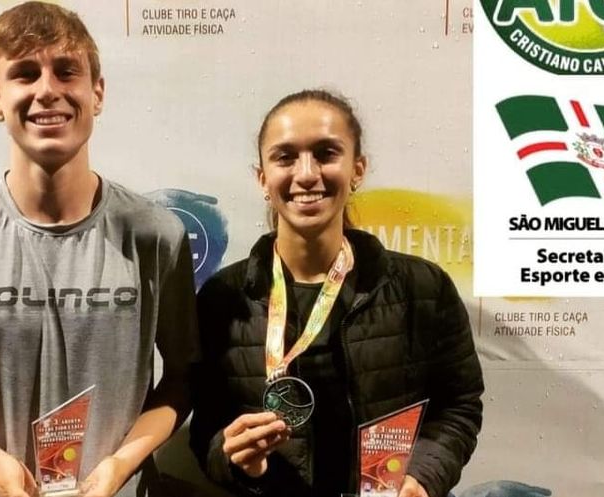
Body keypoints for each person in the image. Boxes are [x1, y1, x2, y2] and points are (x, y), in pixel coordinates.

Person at [0, 3, 198, 496]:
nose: (47, 89)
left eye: (66, 71)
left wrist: (120, 464)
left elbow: (183, 377)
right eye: (25, 73)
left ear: (97, 92)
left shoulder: (155, 236)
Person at [189, 89, 483, 497]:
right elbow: (206, 428)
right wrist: (238, 462)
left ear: (357, 170)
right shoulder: (222, 300)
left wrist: (422, 477)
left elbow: (459, 405)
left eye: (326, 153)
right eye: (285, 157)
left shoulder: (423, 288)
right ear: (262, 178)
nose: (307, 174)